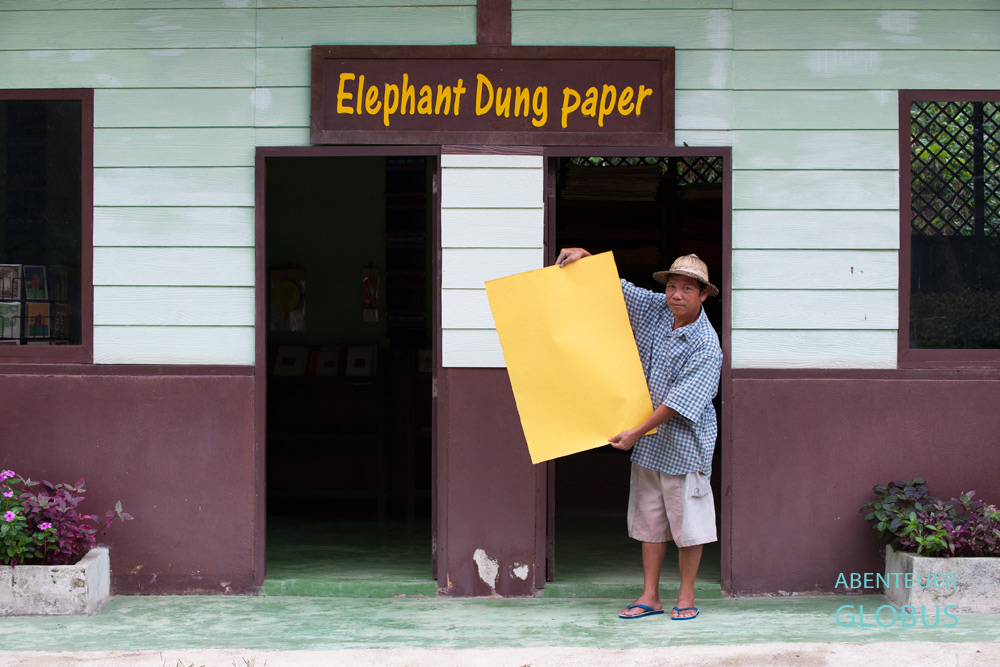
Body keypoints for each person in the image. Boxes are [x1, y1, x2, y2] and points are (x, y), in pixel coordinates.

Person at [556, 248, 722, 621]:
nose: (676, 295)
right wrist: (588, 259)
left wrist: (634, 431)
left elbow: (678, 404)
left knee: (688, 527)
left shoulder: (706, 345)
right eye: (672, 287)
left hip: (684, 446)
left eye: (686, 289)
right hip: (649, 444)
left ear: (703, 295)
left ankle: (686, 595)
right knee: (650, 522)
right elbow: (620, 290)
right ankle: (650, 596)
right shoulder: (657, 309)